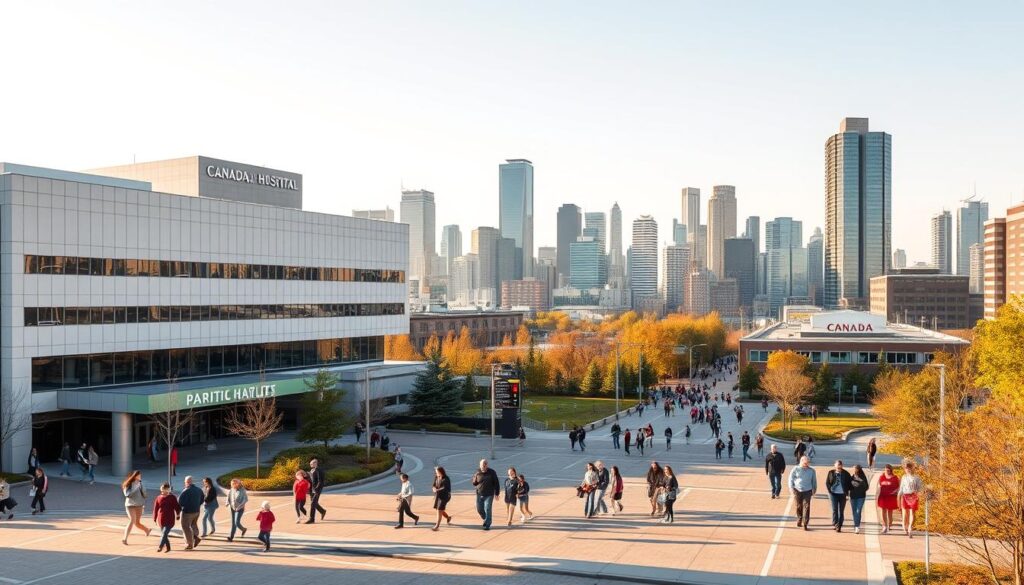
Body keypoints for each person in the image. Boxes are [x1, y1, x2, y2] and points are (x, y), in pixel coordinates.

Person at [122, 470, 151, 544]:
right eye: (139, 475)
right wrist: (136, 487)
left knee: (137, 523)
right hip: (130, 505)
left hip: (139, 505)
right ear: (135, 476)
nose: (140, 477)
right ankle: (125, 539)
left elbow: (144, 494)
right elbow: (127, 494)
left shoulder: (141, 484)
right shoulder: (129, 484)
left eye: (140, 475)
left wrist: (142, 487)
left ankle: (147, 530)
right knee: (132, 520)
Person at [788, 456, 816, 530]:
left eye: (807, 463)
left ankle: (805, 523)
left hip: (808, 490)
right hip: (797, 490)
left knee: (807, 506)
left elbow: (814, 480)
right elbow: (791, 479)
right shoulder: (796, 469)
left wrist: (814, 489)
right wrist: (791, 488)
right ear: (801, 461)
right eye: (805, 463)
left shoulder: (812, 471)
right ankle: (799, 518)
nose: (806, 464)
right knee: (798, 505)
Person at [472, 459, 500, 530]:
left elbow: (496, 483)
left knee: (487, 508)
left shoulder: (492, 472)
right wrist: (474, 481)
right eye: (482, 465)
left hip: (489, 494)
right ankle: (485, 518)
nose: (483, 467)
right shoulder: (477, 472)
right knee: (479, 509)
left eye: (485, 465)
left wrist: (497, 493)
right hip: (479, 494)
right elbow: (474, 482)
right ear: (480, 465)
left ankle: (487, 524)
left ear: (487, 465)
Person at [825, 460, 852, 532]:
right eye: (837, 467)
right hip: (833, 494)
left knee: (841, 511)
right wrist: (830, 491)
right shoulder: (831, 472)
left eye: (840, 467)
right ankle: (835, 523)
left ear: (842, 466)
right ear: (835, 466)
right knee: (835, 510)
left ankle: (839, 525)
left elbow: (850, 484)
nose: (839, 468)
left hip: (843, 494)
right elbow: (827, 483)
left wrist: (848, 493)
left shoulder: (846, 474)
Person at [898, 460, 923, 538]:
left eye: (909, 468)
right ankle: (905, 524)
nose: (907, 470)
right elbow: (901, 488)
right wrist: (899, 495)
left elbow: (920, 488)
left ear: (912, 468)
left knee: (912, 512)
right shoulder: (904, 477)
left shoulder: (916, 477)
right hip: (905, 495)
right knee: (905, 513)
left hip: (913, 496)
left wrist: (919, 494)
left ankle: (910, 527)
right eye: (906, 468)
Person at [153, 483, 180, 553]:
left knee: (164, 533)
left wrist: (178, 514)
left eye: (165, 489)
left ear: (168, 489)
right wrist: (154, 518)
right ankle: (168, 547)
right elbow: (155, 509)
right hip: (161, 519)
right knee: (164, 534)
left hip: (170, 519)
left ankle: (160, 546)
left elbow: (177, 507)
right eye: (162, 489)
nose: (163, 490)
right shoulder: (158, 497)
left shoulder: (172, 497)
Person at [178, 475, 203, 549]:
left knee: (185, 527)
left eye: (185, 482)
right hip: (197, 511)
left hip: (187, 512)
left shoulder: (186, 490)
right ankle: (196, 536)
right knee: (193, 525)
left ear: (187, 482)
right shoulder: (199, 489)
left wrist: (181, 509)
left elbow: (180, 501)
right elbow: (202, 499)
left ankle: (190, 544)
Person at [876, 464, 900, 534]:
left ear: (891, 470)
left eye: (888, 470)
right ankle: (884, 526)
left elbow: (898, 487)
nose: (887, 471)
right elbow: (879, 486)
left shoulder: (895, 478)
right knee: (883, 511)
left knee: (890, 512)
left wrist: (895, 492)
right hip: (883, 496)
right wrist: (877, 495)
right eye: (886, 470)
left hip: (891, 497)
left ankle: (889, 524)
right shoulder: (882, 477)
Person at [849, 464, 869, 534]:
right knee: (854, 511)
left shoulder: (863, 477)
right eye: (854, 469)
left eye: (856, 469)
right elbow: (848, 486)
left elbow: (867, 487)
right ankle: (856, 525)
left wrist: (860, 482)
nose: (854, 470)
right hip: (853, 496)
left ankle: (857, 526)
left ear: (859, 469)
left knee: (858, 510)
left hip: (861, 496)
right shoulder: (851, 477)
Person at [431, 466, 452, 530]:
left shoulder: (446, 478)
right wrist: (434, 488)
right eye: (436, 472)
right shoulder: (436, 477)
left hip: (445, 496)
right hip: (438, 496)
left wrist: (437, 490)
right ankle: (448, 517)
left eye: (437, 472)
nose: (436, 473)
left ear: (441, 472)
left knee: (439, 510)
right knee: (440, 509)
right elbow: (434, 485)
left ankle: (437, 526)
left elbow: (445, 488)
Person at [306, 457, 326, 523]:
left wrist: (317, 489)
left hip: (317, 490)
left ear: (315, 463)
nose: (310, 465)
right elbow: (311, 480)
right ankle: (322, 511)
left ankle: (312, 519)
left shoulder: (319, 470)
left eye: (311, 464)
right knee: (314, 503)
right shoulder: (312, 470)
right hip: (312, 490)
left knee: (313, 504)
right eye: (310, 464)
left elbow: (321, 481)